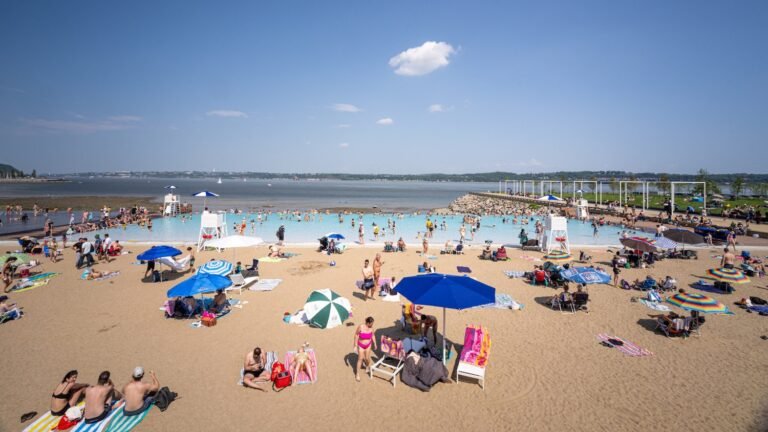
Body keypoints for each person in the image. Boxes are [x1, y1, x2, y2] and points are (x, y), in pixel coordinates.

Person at [354, 317, 377, 382]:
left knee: (367, 358)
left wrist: (375, 343)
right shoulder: (361, 327)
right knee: (360, 359)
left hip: (368, 345)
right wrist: (355, 345)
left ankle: (367, 366)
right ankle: (357, 374)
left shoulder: (371, 328)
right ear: (368, 323)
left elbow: (373, 335)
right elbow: (356, 335)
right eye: (371, 323)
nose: (372, 325)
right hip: (361, 345)